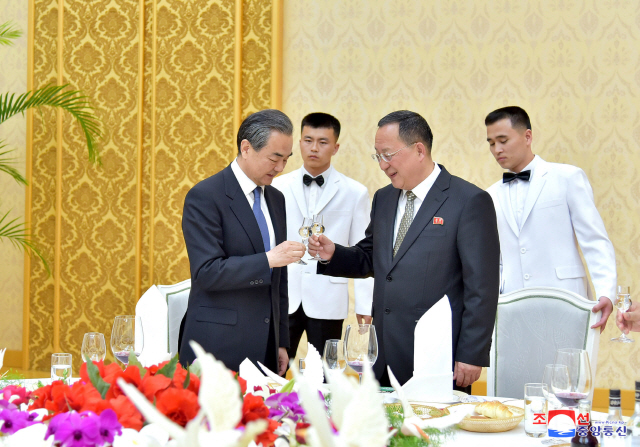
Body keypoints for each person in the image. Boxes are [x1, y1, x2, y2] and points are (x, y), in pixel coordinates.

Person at [308, 110, 500, 390]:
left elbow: (482, 287)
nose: (382, 165)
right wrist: (333, 254)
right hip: (383, 351)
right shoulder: (384, 198)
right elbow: (371, 257)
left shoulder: (468, 201)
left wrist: (471, 353)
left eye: (388, 154)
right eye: (377, 156)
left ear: (419, 150)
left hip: (436, 355)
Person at [178, 109, 306, 375]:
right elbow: (206, 273)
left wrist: (281, 341)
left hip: (266, 347)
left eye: (286, 159)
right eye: (275, 158)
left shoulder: (276, 198)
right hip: (217, 346)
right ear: (246, 148)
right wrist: (269, 259)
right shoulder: (205, 196)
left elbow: (278, 279)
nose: (281, 168)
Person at [485, 106, 615, 331]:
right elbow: (493, 259)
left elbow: (594, 240)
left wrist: (606, 292)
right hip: (511, 309)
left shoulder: (567, 178)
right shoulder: (489, 195)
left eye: (503, 140)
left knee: (569, 366)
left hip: (566, 301)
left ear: (528, 136)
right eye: (491, 143)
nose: (497, 149)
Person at [272, 112, 374, 357]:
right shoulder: (277, 186)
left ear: (336, 147)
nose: (314, 148)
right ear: (299, 143)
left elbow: (364, 251)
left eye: (323, 142)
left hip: (328, 297)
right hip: (285, 294)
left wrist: (364, 304)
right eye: (308, 140)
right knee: (274, 368)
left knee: (327, 373)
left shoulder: (355, 192)